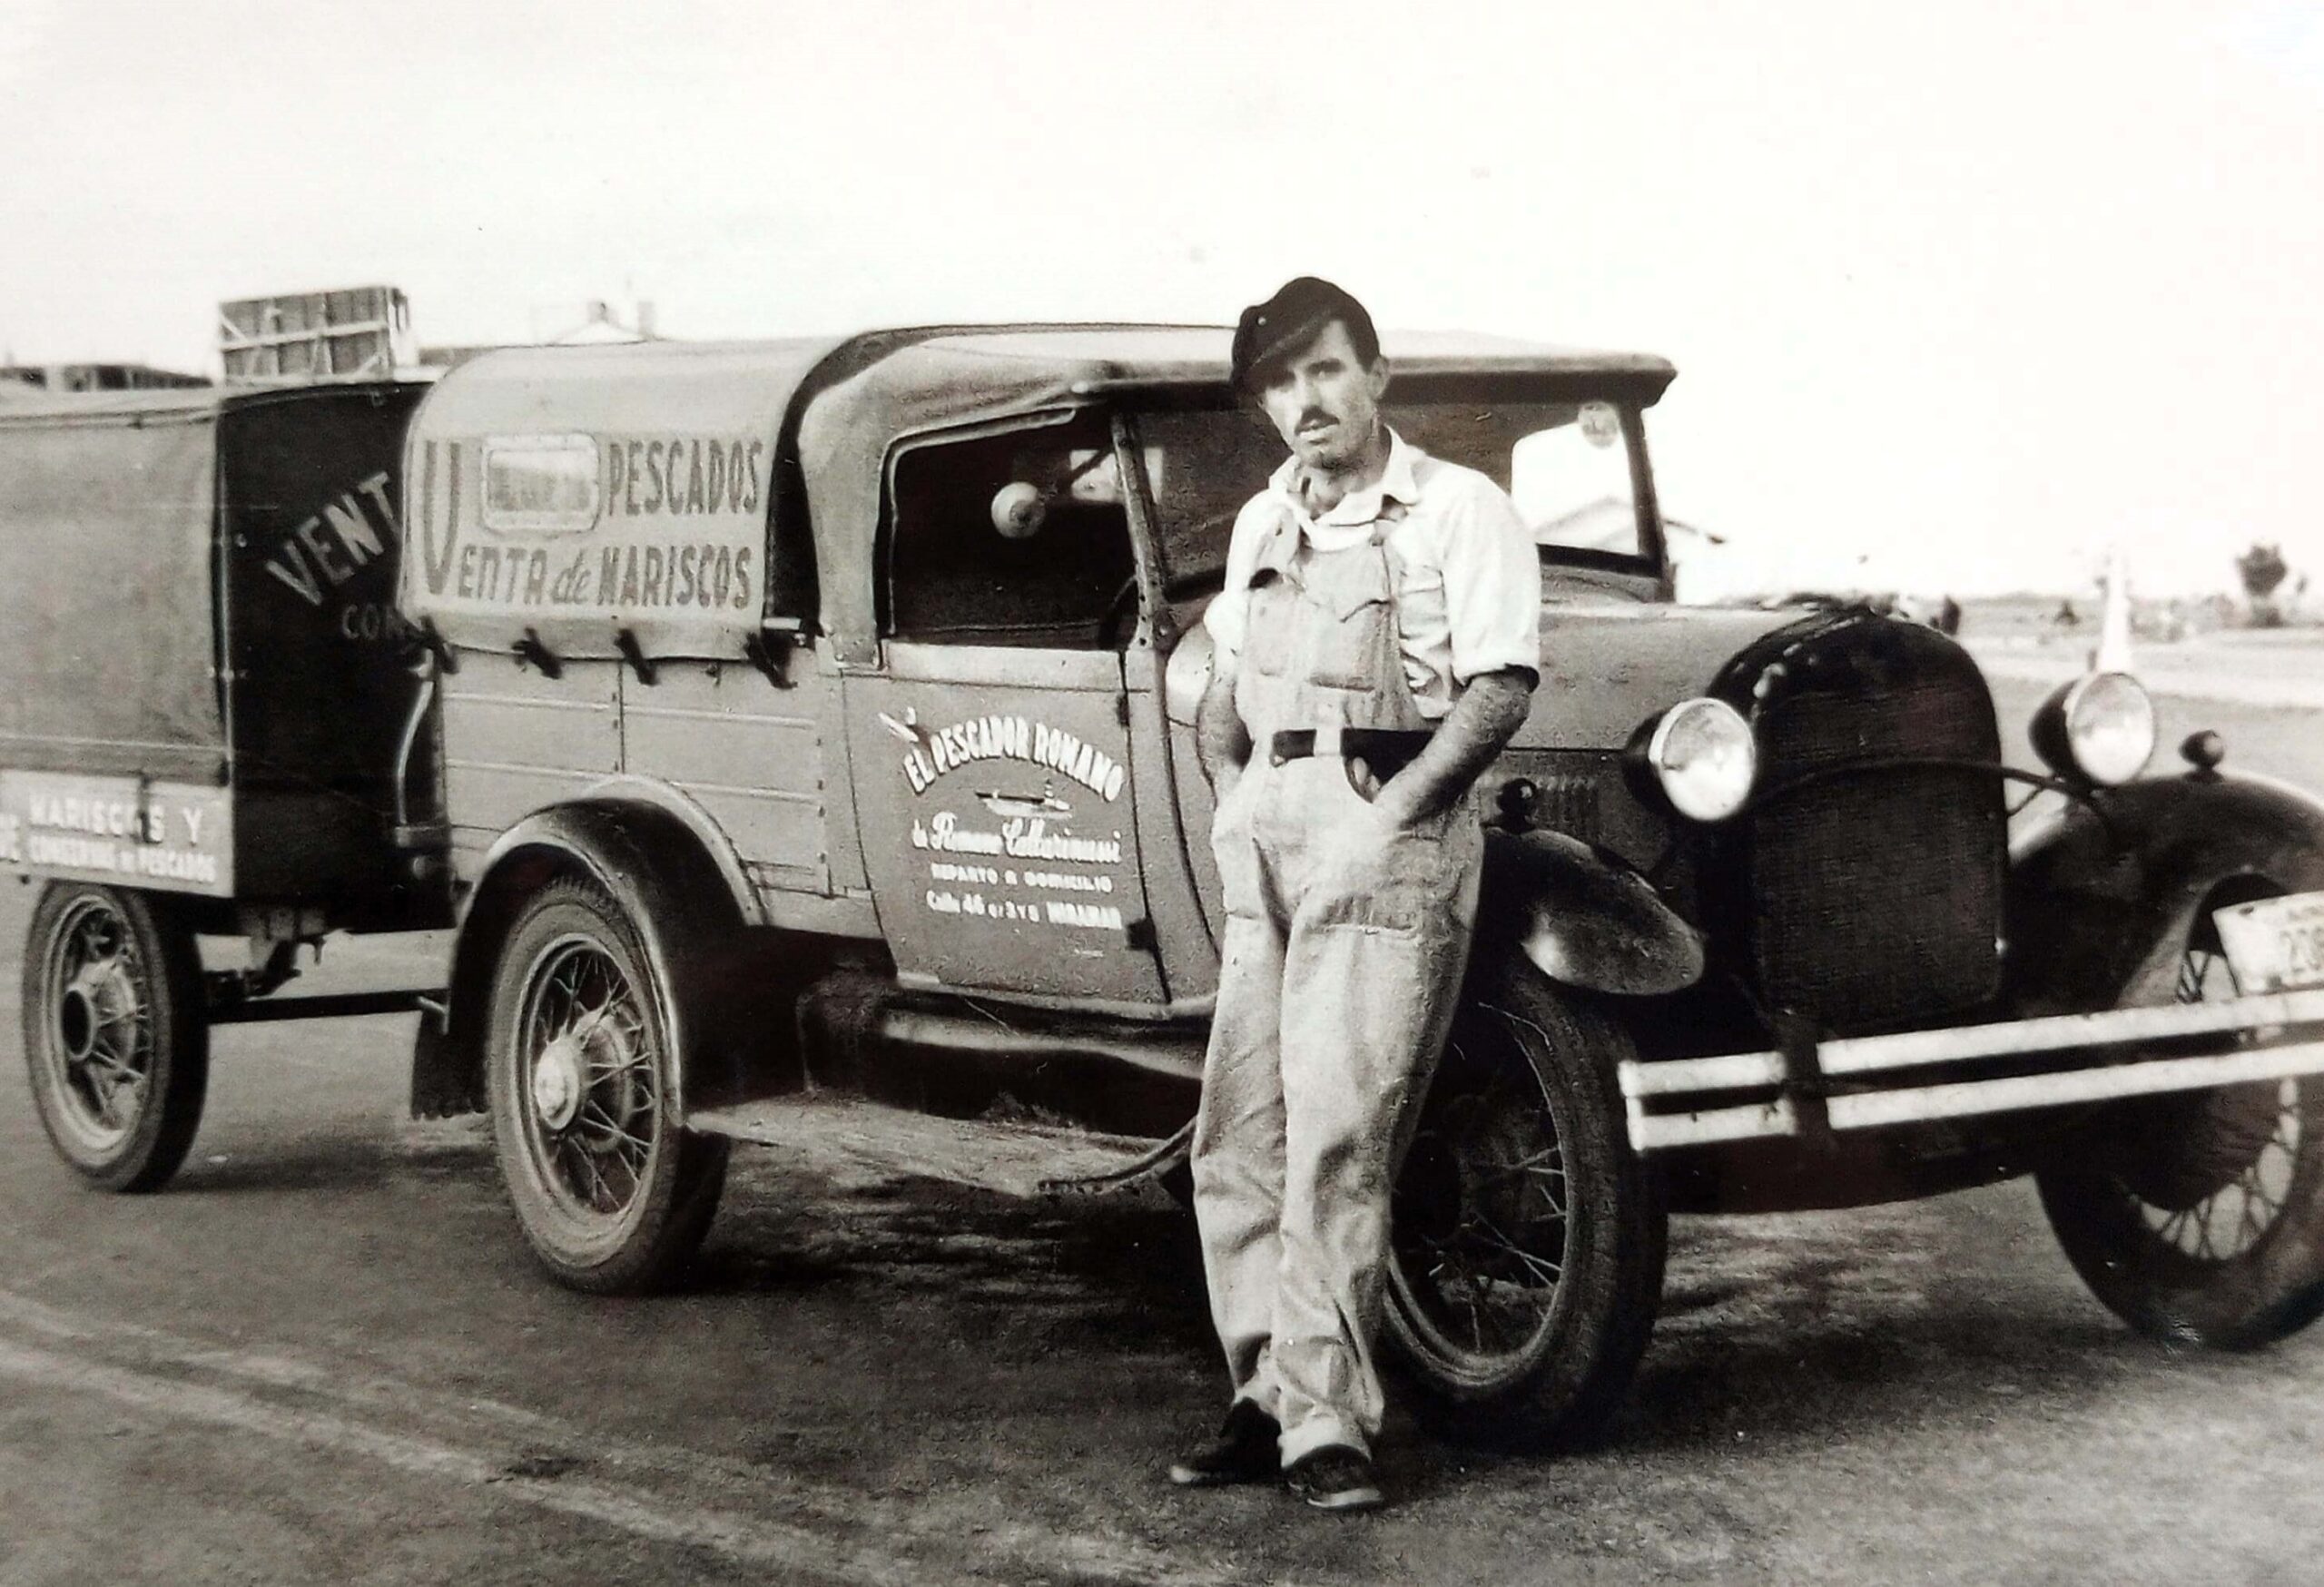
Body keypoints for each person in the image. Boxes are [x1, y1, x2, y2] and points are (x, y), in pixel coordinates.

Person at [1168, 278, 1540, 1512]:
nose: (1301, 400)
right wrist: (1232, 789)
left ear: (1376, 375)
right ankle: (1262, 1397)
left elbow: (1497, 691)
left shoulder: (1456, 511)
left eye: (1323, 370)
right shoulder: (1266, 519)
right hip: (1266, 826)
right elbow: (1221, 670)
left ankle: (1327, 1424)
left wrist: (1387, 820)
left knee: (1339, 1133)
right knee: (1238, 1134)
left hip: (1389, 828)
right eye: (1277, 382)